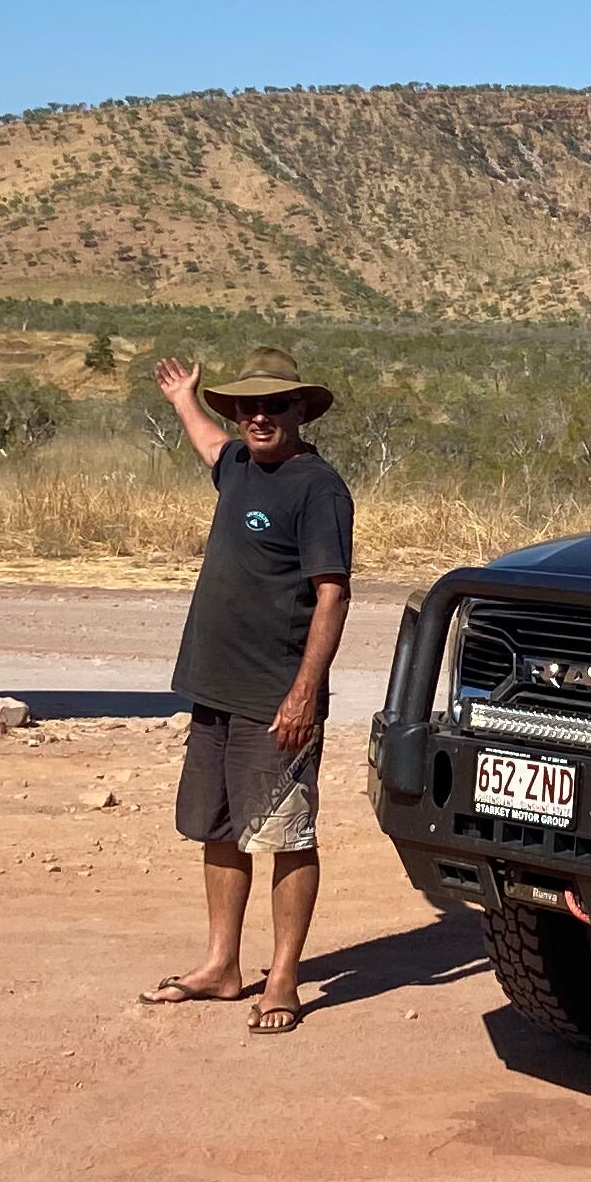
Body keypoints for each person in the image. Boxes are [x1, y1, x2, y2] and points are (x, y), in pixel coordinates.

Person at [139, 349, 354, 1034]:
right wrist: (185, 399)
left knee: (286, 834)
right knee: (219, 828)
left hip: (275, 695)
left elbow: (332, 595)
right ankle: (222, 966)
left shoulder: (316, 488)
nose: (258, 416)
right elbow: (209, 442)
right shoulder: (237, 467)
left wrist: (302, 694)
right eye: (247, 407)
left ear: (300, 411)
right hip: (215, 686)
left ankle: (283, 976)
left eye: (274, 405)